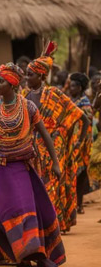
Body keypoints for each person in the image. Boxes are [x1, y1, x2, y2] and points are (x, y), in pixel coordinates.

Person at [0, 63, 65, 267]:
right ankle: (14, 254)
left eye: (0, 81)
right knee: (4, 212)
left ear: (12, 84)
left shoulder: (28, 107)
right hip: (1, 169)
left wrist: (56, 163)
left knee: (26, 209)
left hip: (23, 168)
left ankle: (33, 254)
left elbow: (45, 136)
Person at [25, 41, 89, 233]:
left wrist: (79, 141)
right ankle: (45, 223)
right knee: (37, 184)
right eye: (27, 74)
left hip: (55, 145)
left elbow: (83, 118)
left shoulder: (54, 94)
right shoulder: (25, 95)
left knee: (52, 184)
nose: (27, 78)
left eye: (31, 74)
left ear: (42, 76)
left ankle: (53, 224)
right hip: (33, 147)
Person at [69, 73, 93, 215]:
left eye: (73, 86)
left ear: (80, 87)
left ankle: (79, 204)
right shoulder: (72, 100)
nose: (70, 88)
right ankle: (74, 204)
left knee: (81, 172)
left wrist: (80, 141)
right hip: (73, 140)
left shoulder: (84, 103)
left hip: (82, 141)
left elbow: (87, 123)